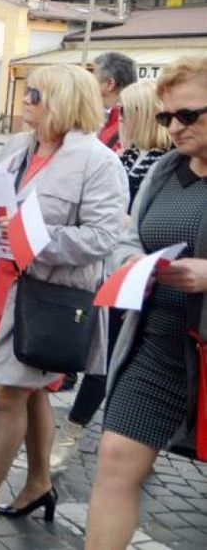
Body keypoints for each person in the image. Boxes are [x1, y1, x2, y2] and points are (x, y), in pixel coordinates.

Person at [0, 65, 127, 540]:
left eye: (33, 94)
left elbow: (104, 236)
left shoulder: (97, 161)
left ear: (63, 101)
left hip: (49, 296)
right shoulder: (19, 147)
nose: (24, 101)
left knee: (7, 392)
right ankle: (38, 483)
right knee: (29, 389)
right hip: (3, 286)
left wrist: (33, 238)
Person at [87, 55, 207, 549]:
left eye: (187, 116)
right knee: (114, 460)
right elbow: (127, 237)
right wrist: (134, 261)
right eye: (165, 117)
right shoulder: (164, 171)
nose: (173, 128)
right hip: (157, 347)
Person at [50, 79, 172, 472]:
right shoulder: (128, 155)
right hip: (118, 269)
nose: (119, 119)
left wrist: (126, 224)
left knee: (113, 358)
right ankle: (112, 437)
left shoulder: (162, 162)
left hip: (147, 276)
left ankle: (77, 432)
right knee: (106, 354)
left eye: (126, 113)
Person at [93, 51, 138, 153]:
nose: (89, 84)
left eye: (93, 77)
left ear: (110, 84)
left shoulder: (125, 127)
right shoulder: (112, 118)